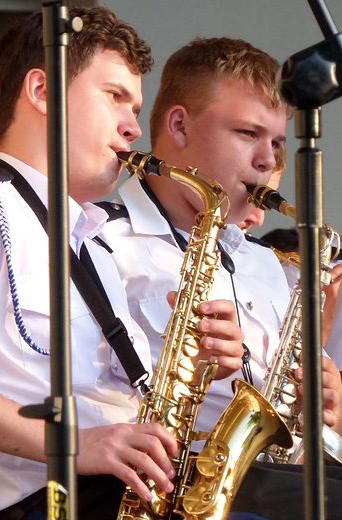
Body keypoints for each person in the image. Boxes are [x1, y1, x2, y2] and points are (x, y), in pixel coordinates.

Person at [0, 8, 246, 520]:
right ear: (42, 92)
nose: (134, 127)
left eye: (134, 105)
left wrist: (202, 368)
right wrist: (77, 443)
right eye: (115, 96)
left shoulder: (93, 246)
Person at [98, 37, 342, 519]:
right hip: (166, 491)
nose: (268, 161)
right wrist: (193, 361)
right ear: (179, 125)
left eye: (275, 141)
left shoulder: (266, 263)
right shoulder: (99, 238)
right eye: (248, 133)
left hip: (271, 482)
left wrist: (325, 405)